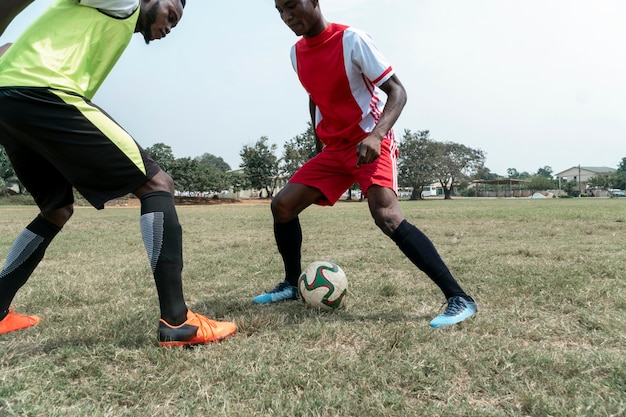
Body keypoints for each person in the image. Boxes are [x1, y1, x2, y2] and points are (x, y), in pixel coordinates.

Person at [0, 0, 237, 346]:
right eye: (171, 15)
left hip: (9, 96)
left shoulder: (116, 19)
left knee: (56, 210)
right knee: (157, 183)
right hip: (42, 90)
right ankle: (177, 321)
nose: (169, 27)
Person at [253, 0, 477, 328]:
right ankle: (290, 284)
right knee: (282, 206)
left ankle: (459, 298)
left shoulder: (352, 40)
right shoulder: (295, 54)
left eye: (292, 6)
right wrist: (319, 146)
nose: (287, 17)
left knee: (386, 216)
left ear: (314, 1)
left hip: (371, 138)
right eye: (280, 11)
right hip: (334, 148)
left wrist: (377, 135)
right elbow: (315, 96)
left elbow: (397, 91)